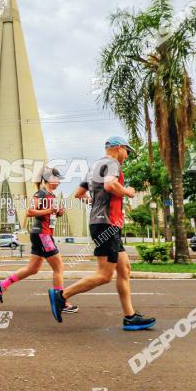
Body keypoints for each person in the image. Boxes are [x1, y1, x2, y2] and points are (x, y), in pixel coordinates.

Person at [48, 136, 156, 331]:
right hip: (106, 224)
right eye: (127, 152)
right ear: (119, 148)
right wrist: (128, 192)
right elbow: (110, 186)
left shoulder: (94, 166)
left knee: (125, 269)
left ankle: (130, 317)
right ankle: (61, 296)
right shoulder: (112, 163)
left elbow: (80, 194)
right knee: (105, 275)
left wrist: (97, 203)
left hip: (103, 223)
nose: (127, 156)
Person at [0, 166, 79, 313]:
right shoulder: (40, 193)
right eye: (56, 179)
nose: (58, 182)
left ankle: (2, 285)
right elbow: (30, 211)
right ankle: (61, 303)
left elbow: (48, 215)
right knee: (59, 268)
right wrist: (49, 210)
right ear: (48, 179)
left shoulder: (51, 196)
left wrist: (58, 213)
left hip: (44, 234)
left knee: (32, 269)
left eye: (59, 180)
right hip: (42, 234)